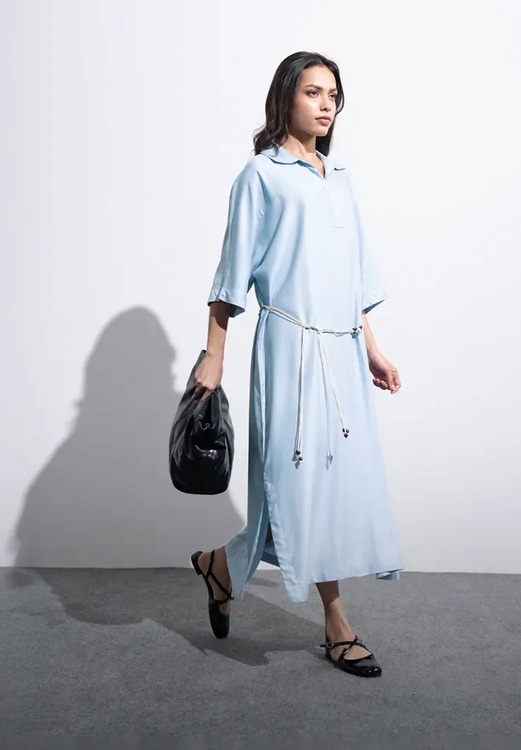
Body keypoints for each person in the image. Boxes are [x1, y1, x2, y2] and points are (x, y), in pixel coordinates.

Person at [189, 51, 404, 678]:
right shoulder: (260, 176)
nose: (326, 104)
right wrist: (214, 355)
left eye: (333, 94)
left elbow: (351, 277)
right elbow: (231, 273)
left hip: (342, 352)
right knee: (294, 483)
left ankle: (221, 566)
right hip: (289, 350)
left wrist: (371, 348)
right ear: (286, 97)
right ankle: (338, 625)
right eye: (313, 92)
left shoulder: (341, 179)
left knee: (330, 485)